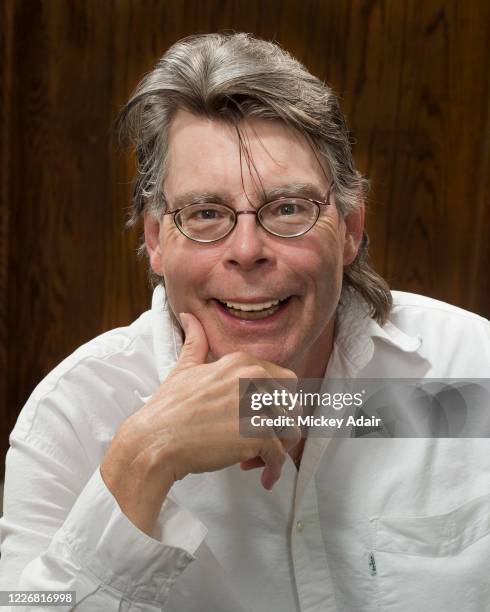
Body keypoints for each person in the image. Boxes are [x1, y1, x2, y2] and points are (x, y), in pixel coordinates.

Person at [1, 32, 489, 612]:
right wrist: (143, 460)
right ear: (156, 240)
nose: (248, 249)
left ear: (353, 227)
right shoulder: (78, 415)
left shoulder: (470, 373)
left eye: (288, 208)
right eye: (205, 213)